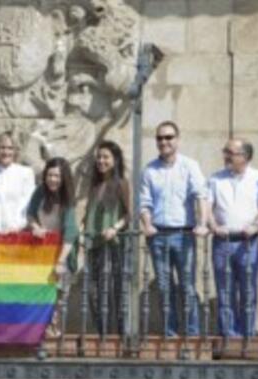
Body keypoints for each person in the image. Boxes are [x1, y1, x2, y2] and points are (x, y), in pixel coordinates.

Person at [139, 120, 207, 337]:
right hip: (157, 235)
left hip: (184, 234)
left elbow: (201, 196)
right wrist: (147, 225)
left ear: (177, 140)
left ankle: (193, 334)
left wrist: (203, 223)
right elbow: (144, 203)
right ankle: (170, 334)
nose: (164, 142)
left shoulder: (190, 165)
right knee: (164, 288)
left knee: (187, 286)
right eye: (160, 138)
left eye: (169, 137)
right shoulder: (149, 170)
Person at [207, 139, 258, 337]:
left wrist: (255, 226)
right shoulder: (215, 178)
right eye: (225, 151)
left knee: (248, 292)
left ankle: (248, 335)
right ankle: (229, 336)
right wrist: (214, 226)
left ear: (244, 157)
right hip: (223, 241)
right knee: (225, 292)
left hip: (248, 241)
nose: (225, 155)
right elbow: (207, 207)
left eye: (230, 152)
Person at [27, 157, 79, 336]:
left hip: (62, 253)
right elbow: (30, 213)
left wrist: (61, 261)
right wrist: (34, 227)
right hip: (41, 253)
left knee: (58, 295)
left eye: (57, 176)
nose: (53, 179)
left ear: (63, 178)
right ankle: (39, 330)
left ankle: (54, 330)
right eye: (50, 175)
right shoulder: (40, 192)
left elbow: (71, 232)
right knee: (40, 294)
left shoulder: (68, 199)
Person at [83, 140, 130, 335]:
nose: (101, 161)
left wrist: (114, 228)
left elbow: (129, 214)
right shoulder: (95, 185)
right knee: (95, 292)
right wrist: (80, 229)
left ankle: (119, 335)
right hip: (94, 245)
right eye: (99, 157)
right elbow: (88, 214)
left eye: (106, 157)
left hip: (114, 244)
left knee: (116, 291)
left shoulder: (121, 184)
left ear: (115, 160)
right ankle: (102, 332)